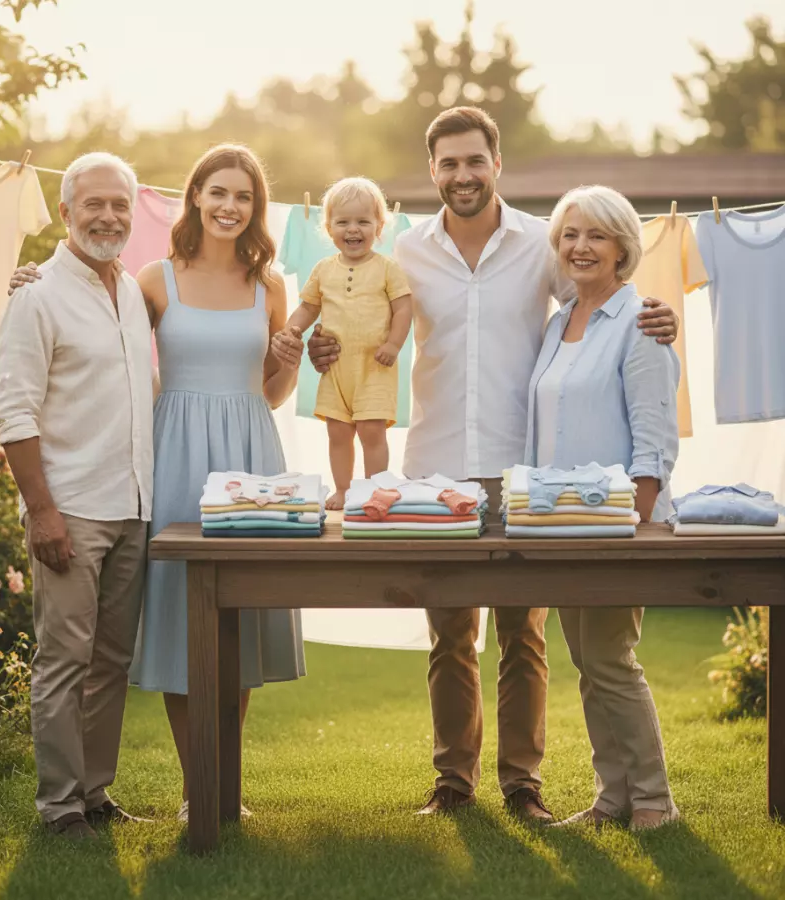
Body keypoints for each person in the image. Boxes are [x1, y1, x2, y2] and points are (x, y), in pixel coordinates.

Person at [276, 106, 680, 821]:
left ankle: (523, 784)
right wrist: (324, 349)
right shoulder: (405, 253)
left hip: (526, 469)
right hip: (435, 467)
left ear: (497, 164)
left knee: (524, 636)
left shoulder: (541, 246)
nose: (462, 175)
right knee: (449, 635)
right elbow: (362, 327)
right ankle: (453, 783)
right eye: (448, 163)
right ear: (432, 171)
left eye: (474, 160)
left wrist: (659, 319)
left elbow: (598, 306)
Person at [11, 144, 307, 823]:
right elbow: (90, 311)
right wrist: (30, 280)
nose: (231, 206)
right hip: (174, 455)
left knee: (243, 620)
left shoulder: (271, 286)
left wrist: (290, 361)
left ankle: (218, 783)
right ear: (195, 197)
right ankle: (193, 784)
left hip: (250, 452)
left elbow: (273, 390)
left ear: (256, 208)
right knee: (184, 617)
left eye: (244, 196)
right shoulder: (152, 280)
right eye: (218, 192)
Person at [0, 152, 154, 840]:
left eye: (120, 204)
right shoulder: (36, 295)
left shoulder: (135, 295)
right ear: (66, 213)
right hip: (73, 509)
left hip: (133, 505)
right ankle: (60, 807)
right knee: (63, 659)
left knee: (112, 660)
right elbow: (15, 413)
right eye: (94, 204)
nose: (109, 216)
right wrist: (42, 511)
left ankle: (94, 791)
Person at [526, 185, 679, 830]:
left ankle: (654, 799)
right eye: (569, 235)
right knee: (588, 662)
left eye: (595, 235)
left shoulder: (641, 321)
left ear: (622, 247)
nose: (579, 247)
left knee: (612, 658)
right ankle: (611, 798)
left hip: (617, 523)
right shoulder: (559, 322)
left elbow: (654, 437)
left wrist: (636, 524)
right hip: (561, 521)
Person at [275, 177, 412, 509]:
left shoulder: (387, 268)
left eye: (363, 221)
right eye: (344, 222)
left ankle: (377, 489)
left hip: (375, 367)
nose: (354, 229)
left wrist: (393, 344)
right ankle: (343, 489)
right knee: (338, 433)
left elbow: (404, 307)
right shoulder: (323, 270)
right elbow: (308, 306)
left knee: (371, 431)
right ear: (329, 227)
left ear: (379, 228)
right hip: (335, 371)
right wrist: (291, 329)